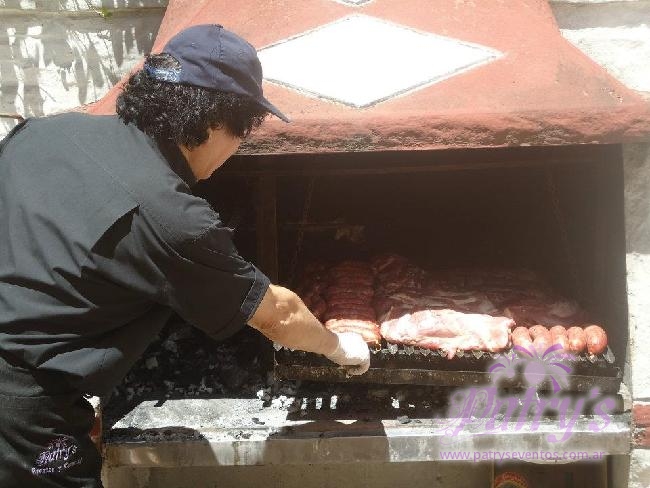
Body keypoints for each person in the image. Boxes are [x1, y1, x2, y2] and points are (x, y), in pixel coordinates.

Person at [0, 24, 370, 488]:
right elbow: (278, 315)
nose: (235, 150)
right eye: (241, 134)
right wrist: (340, 347)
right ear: (215, 124)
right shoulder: (170, 216)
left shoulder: (41, 133)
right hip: (21, 408)